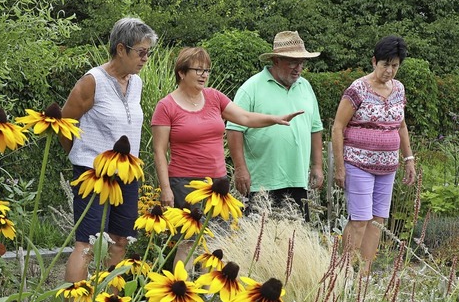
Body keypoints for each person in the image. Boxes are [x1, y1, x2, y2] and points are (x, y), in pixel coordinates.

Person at [151, 46, 303, 268]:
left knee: (216, 241)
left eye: (207, 70)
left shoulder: (214, 98)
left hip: (217, 184)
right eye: (198, 70)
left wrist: (275, 118)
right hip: (184, 183)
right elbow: (159, 151)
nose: (204, 75)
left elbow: (245, 117)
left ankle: (207, 294)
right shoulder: (166, 106)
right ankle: (183, 296)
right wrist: (165, 188)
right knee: (189, 242)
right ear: (182, 73)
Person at [60, 17, 157, 286]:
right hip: (93, 174)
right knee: (88, 243)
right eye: (141, 52)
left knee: (120, 240)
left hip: (127, 174)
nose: (145, 58)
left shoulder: (135, 83)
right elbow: (65, 126)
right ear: (121, 49)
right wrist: (81, 156)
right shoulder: (93, 81)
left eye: (148, 52)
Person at [331, 35, 416, 276]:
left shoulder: (399, 89)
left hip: (388, 167)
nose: (389, 71)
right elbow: (338, 127)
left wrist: (408, 159)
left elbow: (401, 125)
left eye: (395, 65)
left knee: (378, 220)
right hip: (358, 164)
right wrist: (340, 167)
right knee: (360, 219)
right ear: (374, 62)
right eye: (385, 64)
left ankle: (364, 275)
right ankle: (341, 271)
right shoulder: (357, 89)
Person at [226, 31, 324, 220]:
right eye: (292, 62)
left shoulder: (305, 87)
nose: (298, 68)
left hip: (297, 180)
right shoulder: (251, 87)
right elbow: (234, 129)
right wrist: (240, 168)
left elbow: (315, 128)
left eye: (302, 62)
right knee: (260, 240)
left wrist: (317, 166)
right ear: (276, 60)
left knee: (294, 241)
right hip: (262, 182)